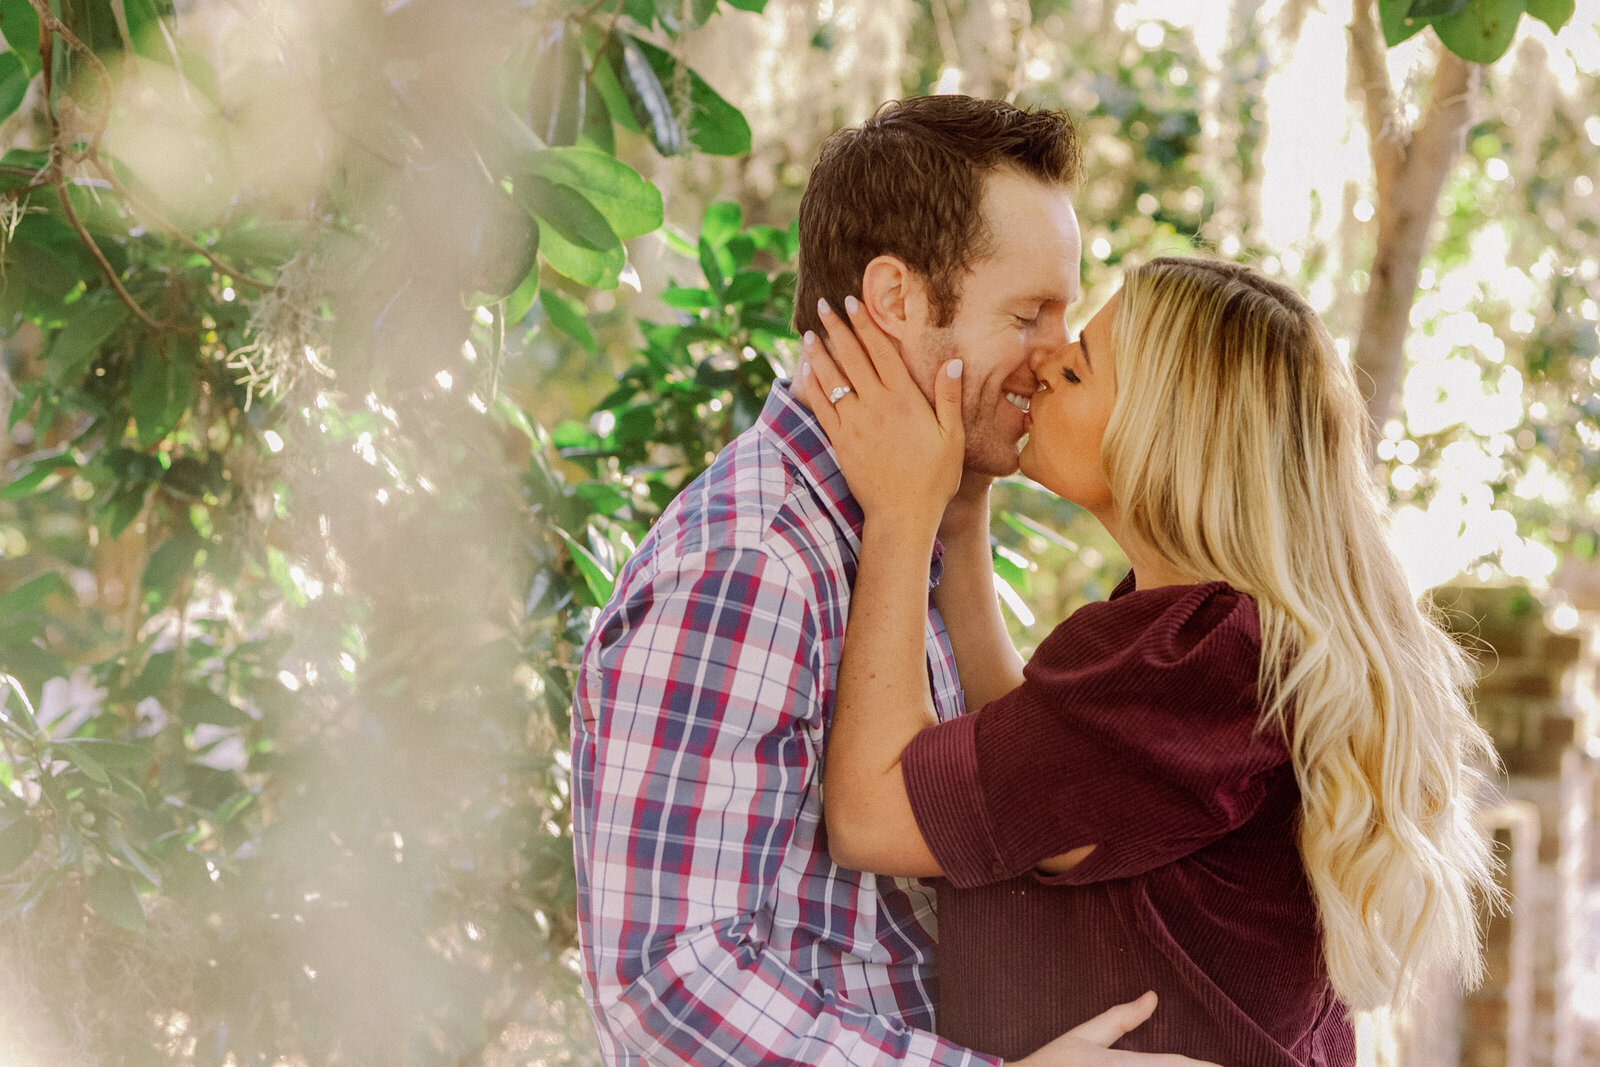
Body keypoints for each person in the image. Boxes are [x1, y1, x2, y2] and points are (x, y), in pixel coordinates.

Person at [571, 97, 1218, 1067]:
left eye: (1065, 313)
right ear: (895, 299)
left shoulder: (895, 529)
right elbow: (668, 985)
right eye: (1027, 312)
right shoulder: (752, 562)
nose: (1054, 355)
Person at [796, 255, 1503, 1066]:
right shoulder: (1215, 632)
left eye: (1080, 364)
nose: (1043, 362)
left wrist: (900, 512)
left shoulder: (1195, 662)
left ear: (1168, 428)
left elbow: (870, 813)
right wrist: (960, 518)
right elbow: (1022, 777)